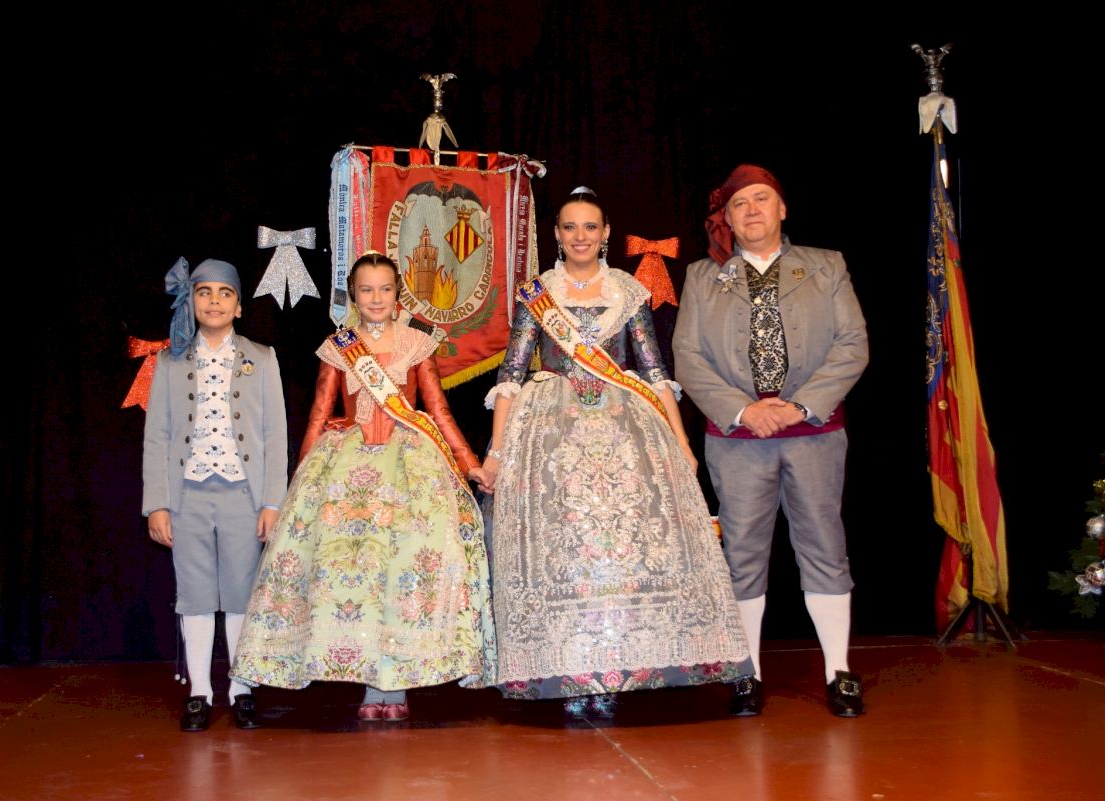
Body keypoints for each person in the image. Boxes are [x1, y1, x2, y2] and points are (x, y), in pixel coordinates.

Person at [479, 187, 751, 720]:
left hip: (626, 426)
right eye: (570, 227)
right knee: (568, 546)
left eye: (590, 227)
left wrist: (680, 443)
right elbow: (511, 373)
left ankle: (635, 660)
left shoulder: (628, 291)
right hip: (551, 433)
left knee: (630, 543)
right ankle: (570, 667)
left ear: (605, 234)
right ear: (556, 235)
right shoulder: (537, 293)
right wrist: (499, 451)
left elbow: (653, 370)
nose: (580, 236)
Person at [229, 252, 496, 722]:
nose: (376, 298)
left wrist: (470, 463)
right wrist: (301, 479)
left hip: (409, 468)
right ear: (353, 295)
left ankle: (396, 688)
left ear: (398, 296)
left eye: (385, 289)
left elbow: (438, 411)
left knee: (403, 570)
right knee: (354, 575)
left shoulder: (418, 344)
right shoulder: (339, 347)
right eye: (367, 290)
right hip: (346, 469)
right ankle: (367, 683)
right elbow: (318, 413)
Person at [671, 165, 869, 717]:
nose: (752, 210)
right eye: (740, 204)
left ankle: (839, 672)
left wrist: (799, 406)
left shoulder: (827, 266)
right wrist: (744, 410)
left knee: (824, 548)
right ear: (727, 218)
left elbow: (852, 344)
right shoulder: (702, 276)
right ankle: (747, 674)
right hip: (737, 437)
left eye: (762, 199)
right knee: (741, 553)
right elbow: (688, 356)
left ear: (783, 209)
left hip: (816, 432)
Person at [143, 257, 289, 732]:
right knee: (196, 594)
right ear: (191, 302)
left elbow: (275, 436)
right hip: (187, 494)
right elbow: (157, 435)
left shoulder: (261, 358)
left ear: (239, 307)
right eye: (204, 292)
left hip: (242, 494)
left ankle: (241, 688)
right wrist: (158, 503)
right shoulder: (170, 361)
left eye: (225, 294)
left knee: (242, 593)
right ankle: (200, 691)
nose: (214, 301)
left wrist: (272, 501)